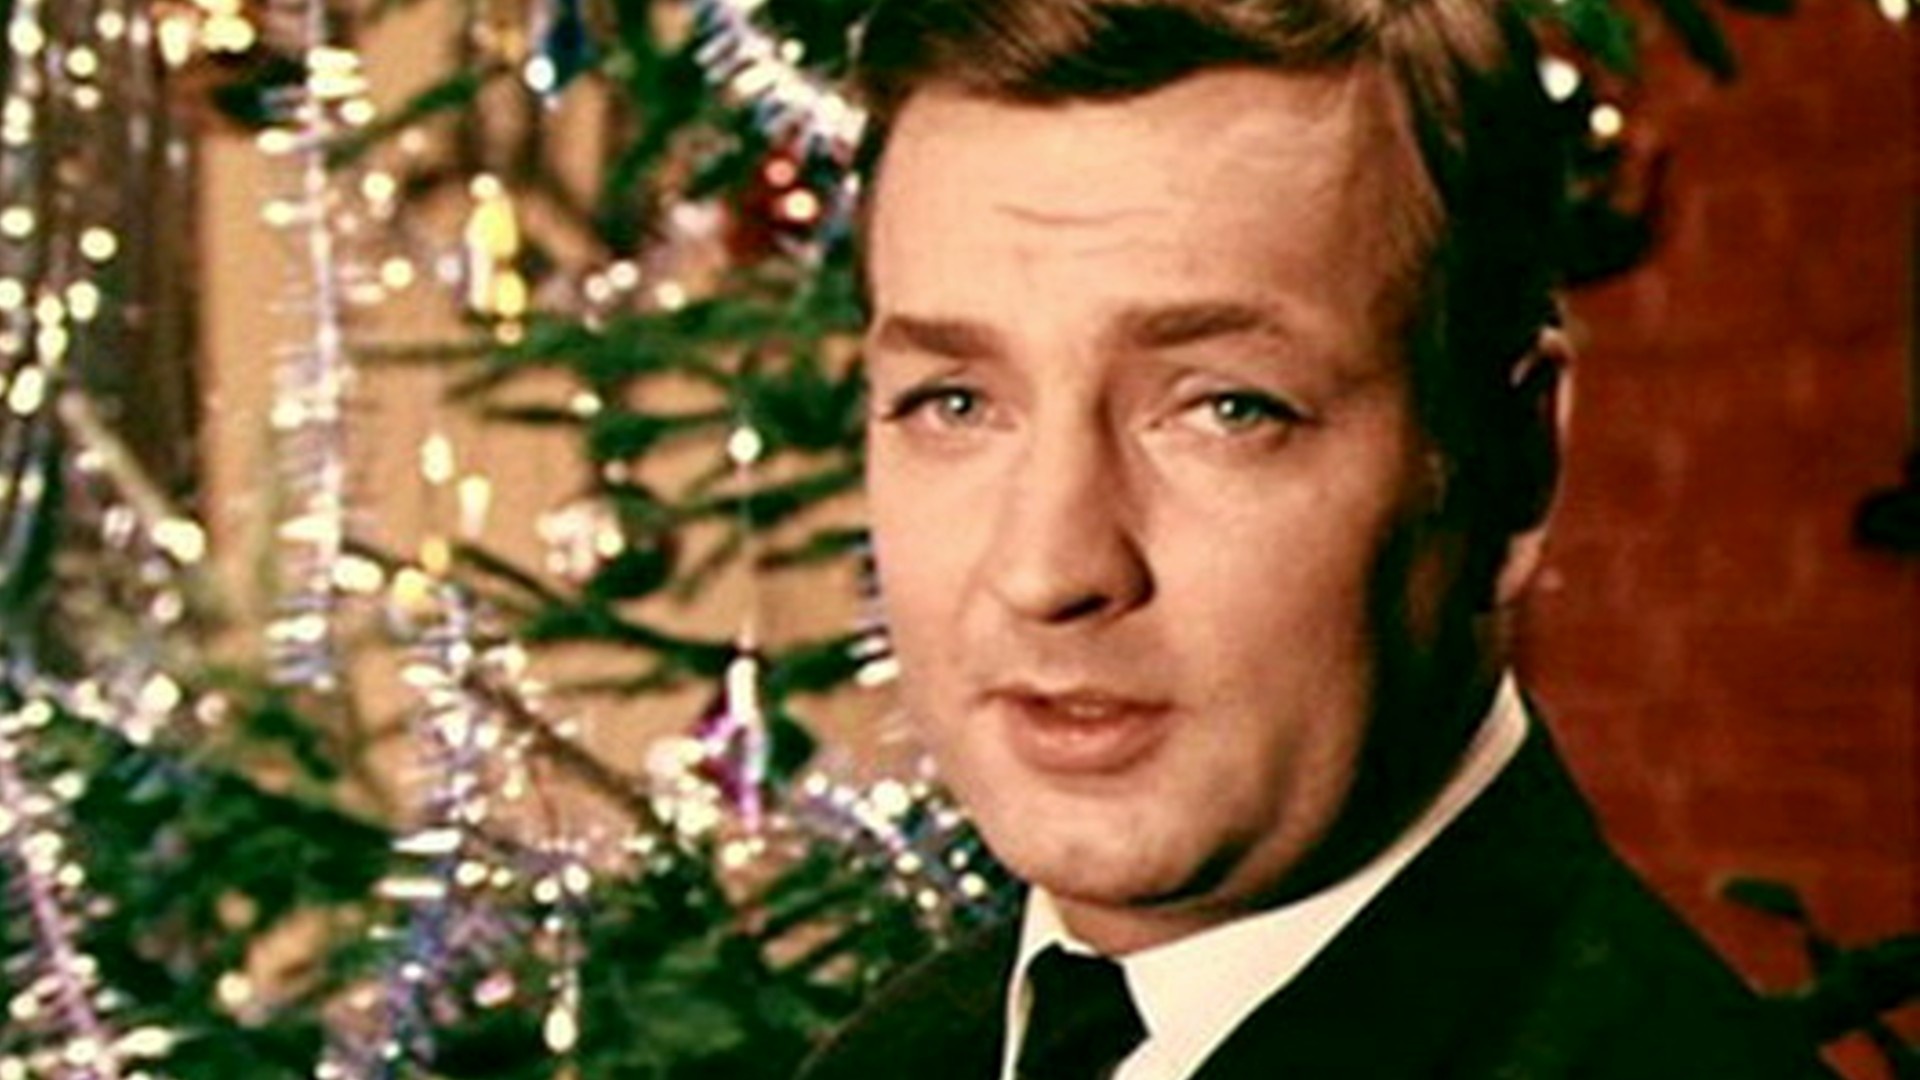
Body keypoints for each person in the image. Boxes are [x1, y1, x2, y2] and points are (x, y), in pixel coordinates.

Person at [799, 0, 1838, 1076]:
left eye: (1229, 408)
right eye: (955, 403)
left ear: (1509, 465)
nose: (1047, 570)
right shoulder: (896, 1057)